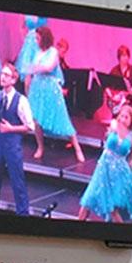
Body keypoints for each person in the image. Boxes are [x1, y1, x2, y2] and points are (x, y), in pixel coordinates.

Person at [27, 26, 85, 162]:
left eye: (37, 38)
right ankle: (40, 147)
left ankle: (77, 148)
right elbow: (33, 69)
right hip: (37, 88)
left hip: (50, 88)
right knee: (37, 119)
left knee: (62, 118)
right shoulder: (38, 52)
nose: (36, 41)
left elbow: (48, 67)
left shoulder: (53, 52)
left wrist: (34, 67)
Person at [0, 63, 35, 216]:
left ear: (13, 80)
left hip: (12, 145)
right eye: (2, 74)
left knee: (17, 182)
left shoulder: (21, 100)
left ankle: (23, 213)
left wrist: (12, 128)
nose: (3, 77)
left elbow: (30, 126)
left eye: (7, 75)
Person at [78, 103, 132, 222]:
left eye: (126, 117)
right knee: (88, 200)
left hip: (119, 171)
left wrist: (130, 177)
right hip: (104, 168)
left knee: (113, 209)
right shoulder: (114, 124)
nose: (123, 119)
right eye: (122, 116)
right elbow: (113, 130)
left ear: (131, 120)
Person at [16, 15, 48, 88]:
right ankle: (28, 97)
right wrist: (25, 40)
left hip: (42, 42)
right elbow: (22, 27)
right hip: (30, 43)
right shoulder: (24, 14)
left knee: (40, 69)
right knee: (27, 72)